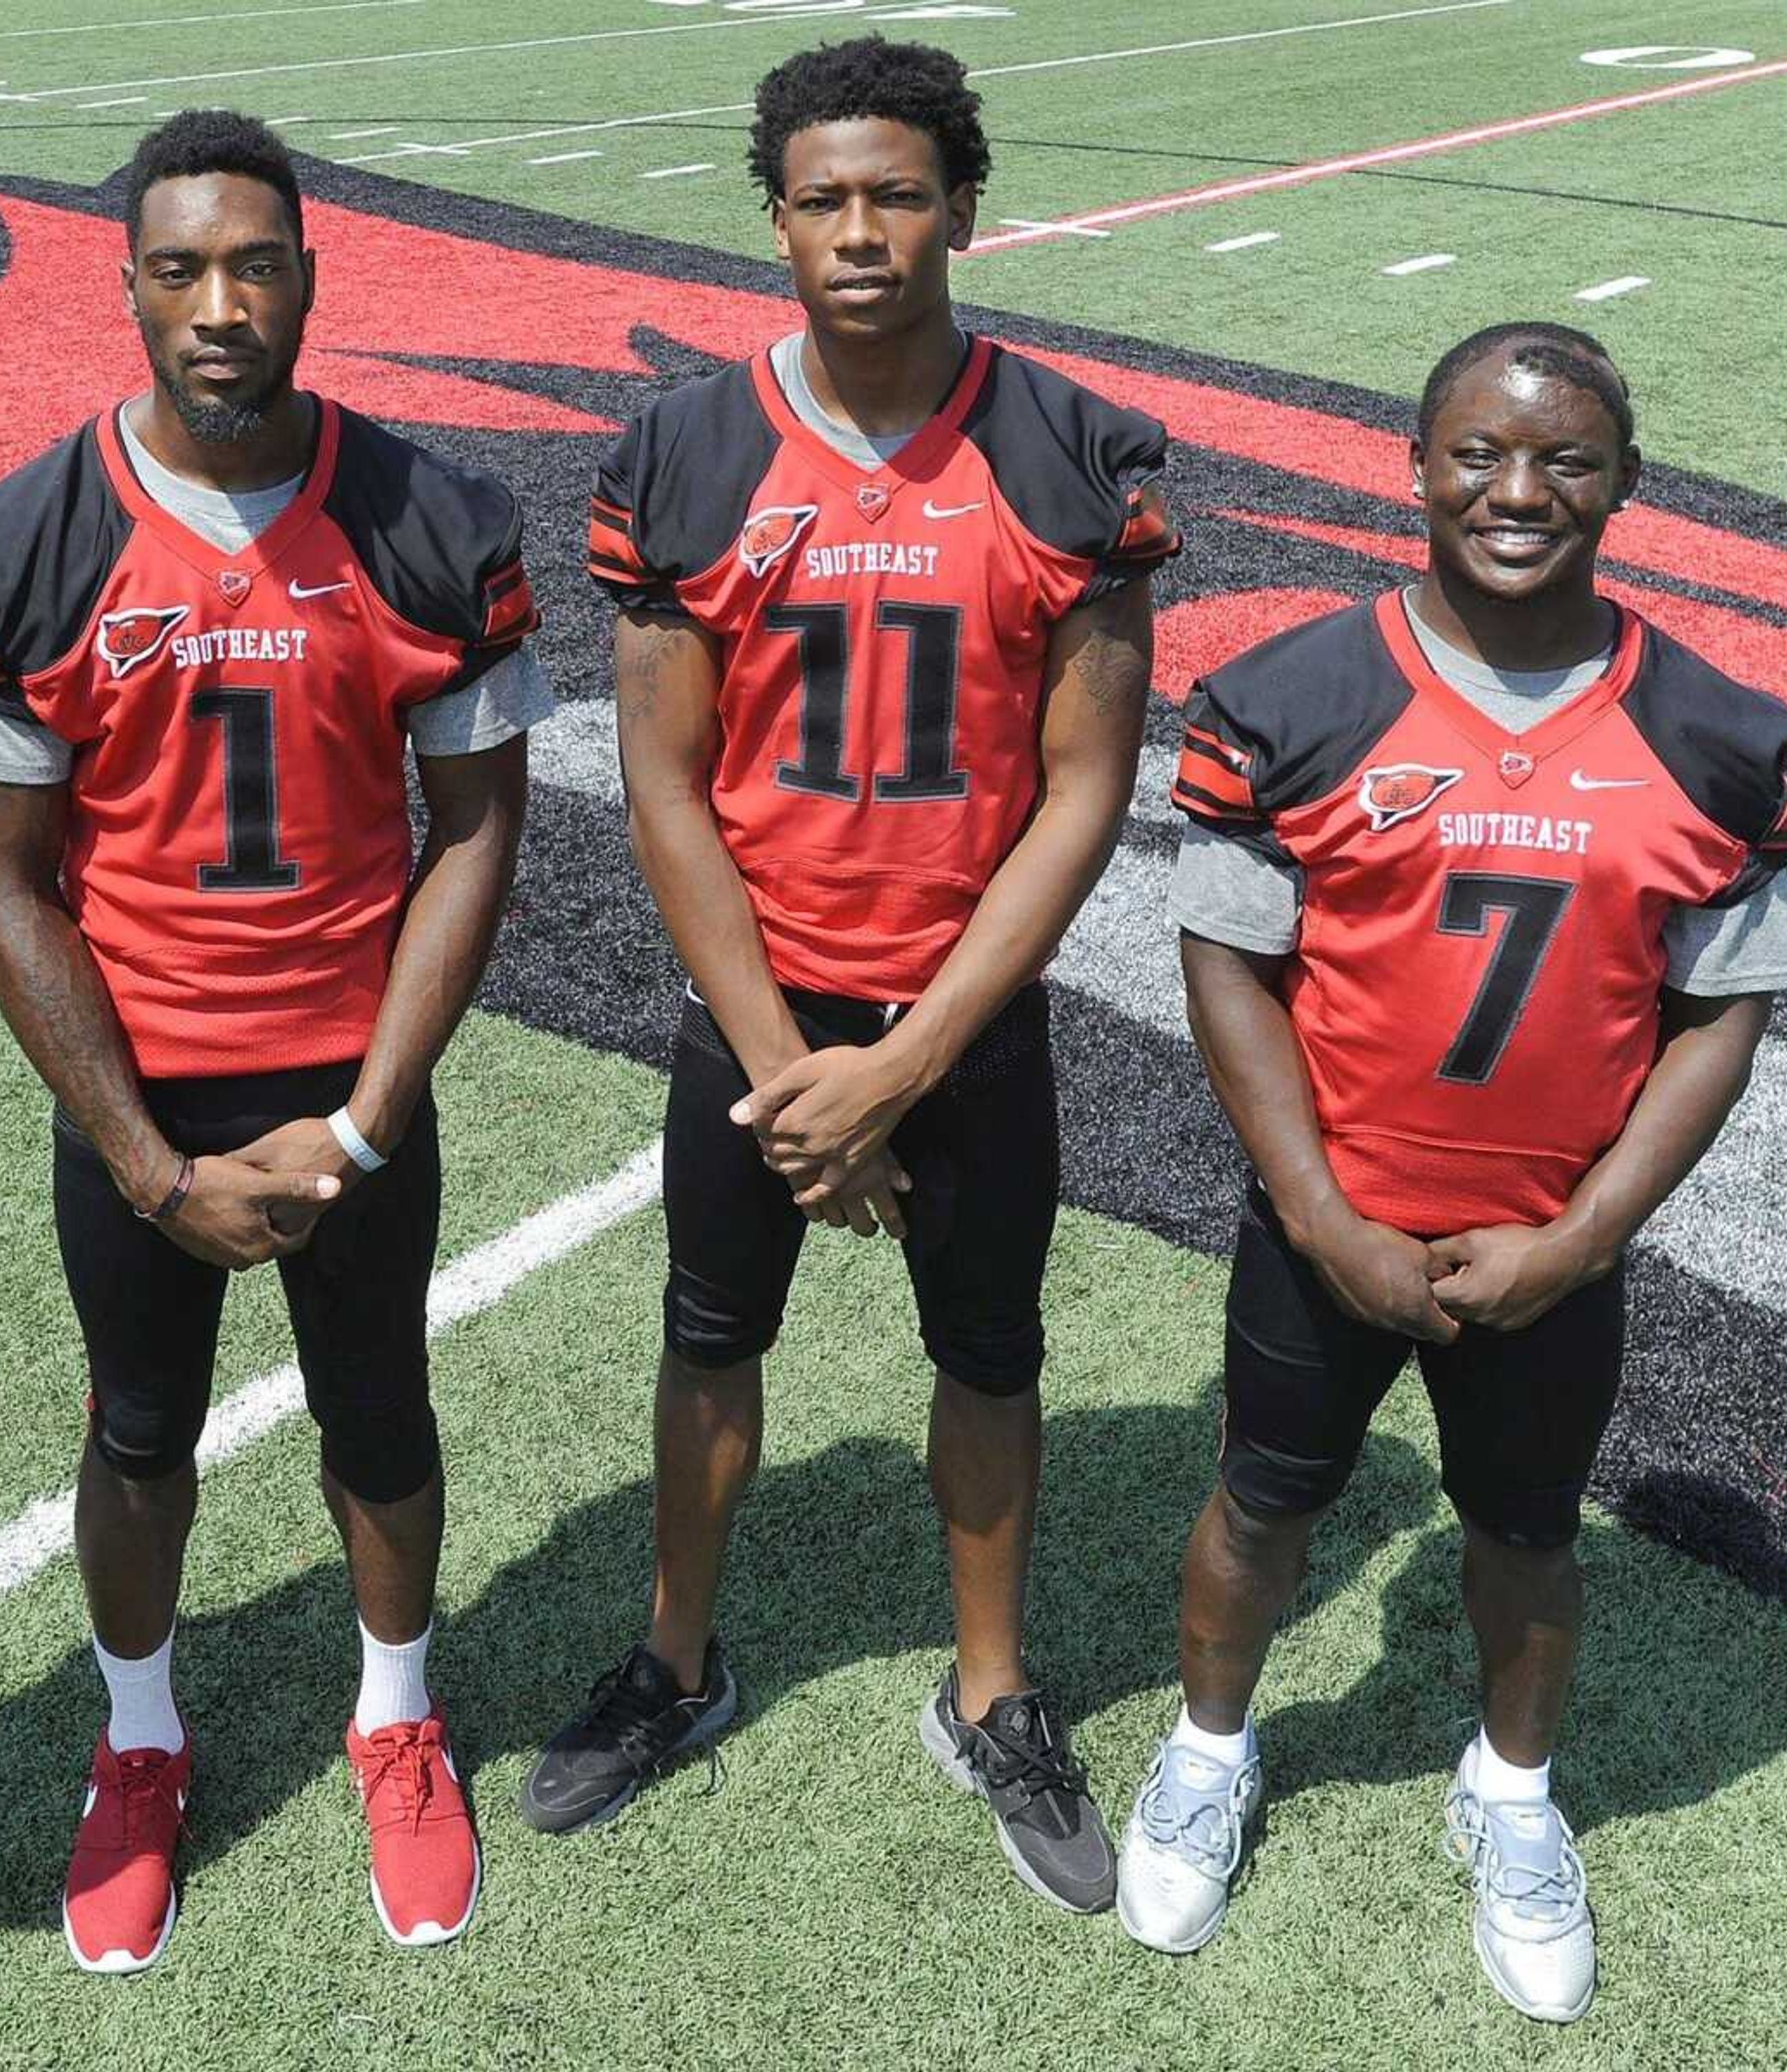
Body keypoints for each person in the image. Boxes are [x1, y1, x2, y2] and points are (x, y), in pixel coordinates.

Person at [524, 37, 1176, 1915]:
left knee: (990, 1352)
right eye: (827, 198)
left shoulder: (1068, 448)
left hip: (964, 1011)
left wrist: (902, 1071)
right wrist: (795, 1067)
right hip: (762, 1002)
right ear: (779, 218)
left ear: (966, 208)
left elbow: (1083, 792)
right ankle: (676, 1656)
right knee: (710, 1334)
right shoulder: (691, 446)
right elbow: (660, 777)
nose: (865, 230)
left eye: (900, 194)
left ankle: (992, 1689)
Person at [1124, 323, 1787, 2022]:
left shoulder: (1725, 739)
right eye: (1480, 455)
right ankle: (1209, 1747)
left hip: (1548, 1245)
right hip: (1332, 1219)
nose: (1520, 491)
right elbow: (1232, 969)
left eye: (1567, 459)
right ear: (1417, 464)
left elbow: (1721, 1017)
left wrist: (1581, 1241)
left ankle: (1510, 1792)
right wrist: (1318, 1213)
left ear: (1627, 483)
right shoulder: (1294, 700)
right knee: (1265, 1500)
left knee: (1525, 1527)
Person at [0, 110, 548, 1970]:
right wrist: (141, 1156)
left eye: (254, 266)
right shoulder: (25, 546)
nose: (220, 304)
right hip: (145, 1095)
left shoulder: (435, 525)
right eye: (182, 269)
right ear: (127, 287)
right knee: (138, 1433)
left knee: (379, 1414)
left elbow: (480, 833)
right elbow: (3, 878)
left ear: (307, 282)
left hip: (348, 1088)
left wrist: (359, 1127)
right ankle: (138, 1743)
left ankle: (398, 1716)